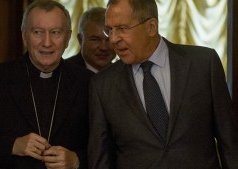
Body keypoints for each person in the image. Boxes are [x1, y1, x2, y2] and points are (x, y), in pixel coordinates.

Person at [88, 0, 238, 168]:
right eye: (109, 30)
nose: (113, 39)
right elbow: (101, 158)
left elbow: (229, 143)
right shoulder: (103, 84)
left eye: (122, 29)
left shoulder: (203, 64)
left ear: (151, 27)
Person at [0, 0, 93, 169]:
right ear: (24, 36)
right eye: (37, 32)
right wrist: (12, 146)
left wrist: (77, 160)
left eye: (56, 32)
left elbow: (108, 147)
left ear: (68, 37)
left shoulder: (88, 82)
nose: (47, 42)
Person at [67, 7, 116, 73]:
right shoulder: (62, 73)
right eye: (95, 40)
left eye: (109, 40)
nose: (103, 47)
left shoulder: (124, 74)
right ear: (80, 40)